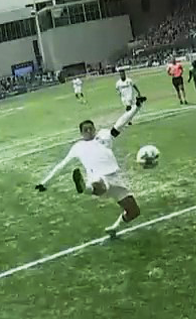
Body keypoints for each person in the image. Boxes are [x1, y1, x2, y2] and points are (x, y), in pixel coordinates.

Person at [35, 100, 145, 237]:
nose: (88, 131)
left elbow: (120, 124)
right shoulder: (78, 147)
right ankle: (84, 187)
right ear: (81, 133)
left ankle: (114, 228)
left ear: (94, 129)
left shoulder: (104, 135)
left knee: (134, 211)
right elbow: (62, 165)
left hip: (116, 178)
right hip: (98, 177)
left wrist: (136, 107)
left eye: (90, 128)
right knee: (101, 185)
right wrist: (45, 183)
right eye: (85, 130)